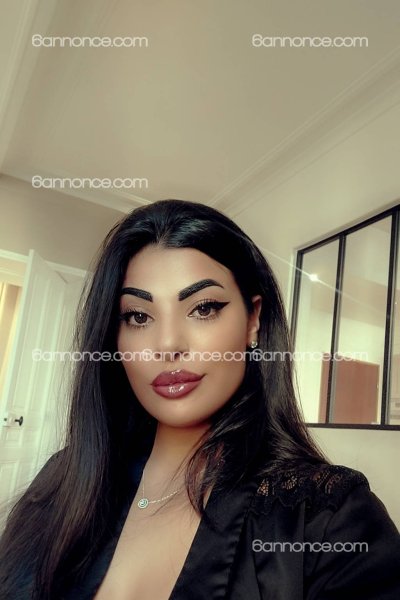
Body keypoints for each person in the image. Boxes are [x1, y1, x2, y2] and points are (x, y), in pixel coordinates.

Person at [0, 199, 399, 600]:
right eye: (138, 316)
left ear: (253, 320)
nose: (168, 344)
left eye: (203, 308)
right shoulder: (63, 478)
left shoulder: (330, 519)